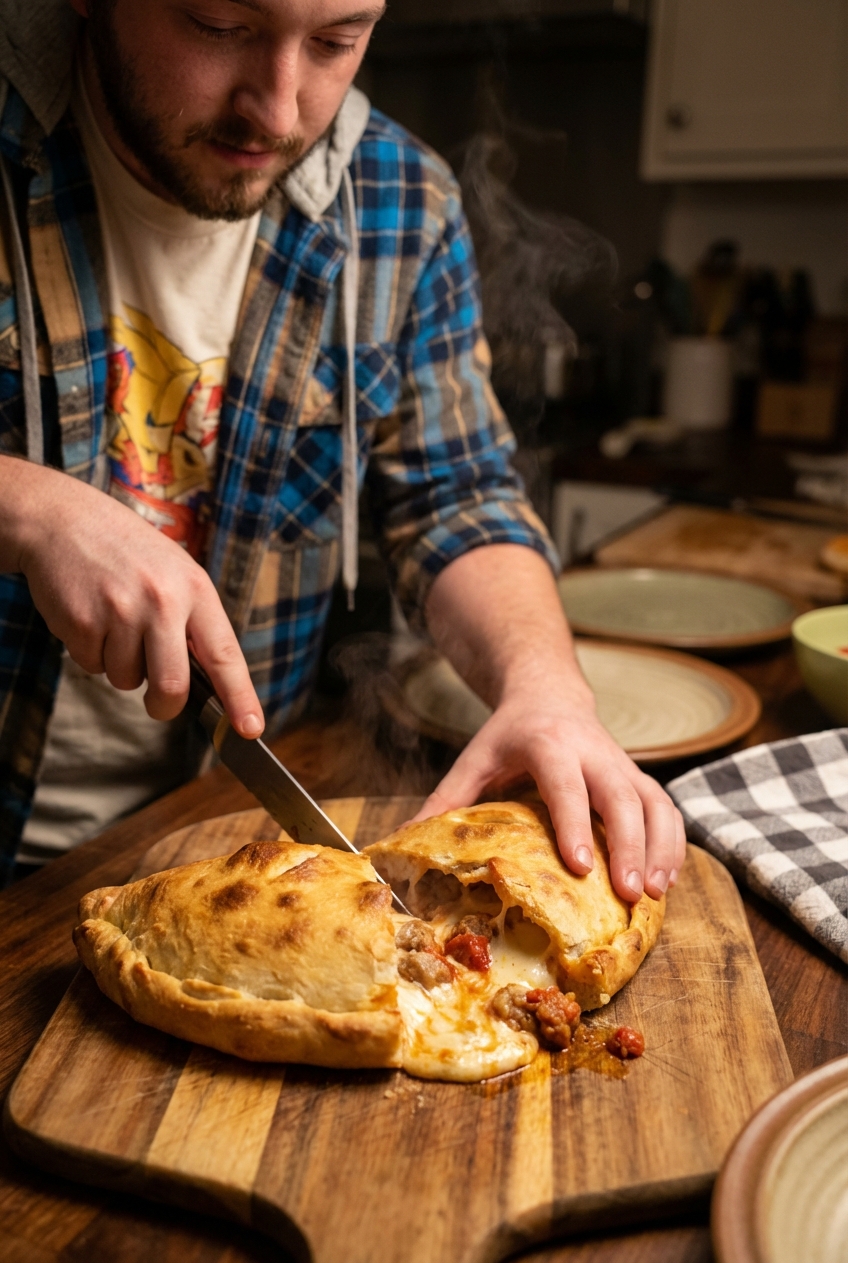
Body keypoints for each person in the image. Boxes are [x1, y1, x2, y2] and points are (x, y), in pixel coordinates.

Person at [0, 0, 684, 897]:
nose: (279, 111)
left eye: (336, 41)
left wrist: (546, 688)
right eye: (218, 26)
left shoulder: (401, 200)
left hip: (215, 848)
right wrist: (29, 507)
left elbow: (458, 499)